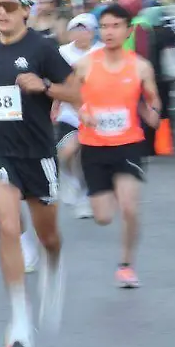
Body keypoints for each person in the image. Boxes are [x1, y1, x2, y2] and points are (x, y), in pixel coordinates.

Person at [0, 0, 75, 347]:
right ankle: (19, 316)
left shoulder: (43, 49)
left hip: (38, 153)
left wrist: (44, 88)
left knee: (48, 236)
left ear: (26, 11)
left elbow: (77, 91)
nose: (1, 13)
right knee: (9, 227)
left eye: (9, 7)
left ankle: (55, 264)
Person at [73, 5, 161, 288]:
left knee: (130, 208)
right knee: (103, 217)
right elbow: (69, 92)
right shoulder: (87, 63)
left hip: (128, 144)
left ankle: (126, 265)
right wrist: (81, 109)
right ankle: (103, 188)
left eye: (115, 26)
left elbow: (153, 99)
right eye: (105, 26)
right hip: (93, 145)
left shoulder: (140, 66)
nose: (109, 32)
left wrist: (152, 112)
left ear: (127, 29)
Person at [56, 14, 102, 218]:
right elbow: (56, 83)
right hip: (69, 113)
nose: (81, 34)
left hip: (97, 113)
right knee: (66, 152)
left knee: (86, 157)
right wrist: (54, 105)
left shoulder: (101, 52)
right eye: (76, 29)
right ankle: (69, 179)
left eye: (85, 30)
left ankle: (85, 198)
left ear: (92, 32)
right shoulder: (62, 53)